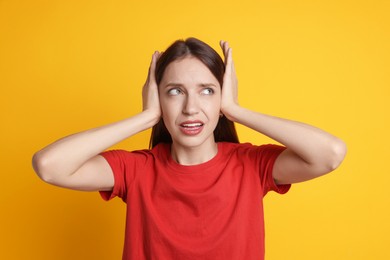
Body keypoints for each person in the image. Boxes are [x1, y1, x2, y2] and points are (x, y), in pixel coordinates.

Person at [32, 37, 347, 260]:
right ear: (159, 98)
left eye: (207, 91)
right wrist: (145, 118)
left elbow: (330, 153)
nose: (191, 107)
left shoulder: (250, 165)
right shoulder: (136, 170)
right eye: (175, 92)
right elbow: (49, 166)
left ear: (221, 97)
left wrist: (236, 110)